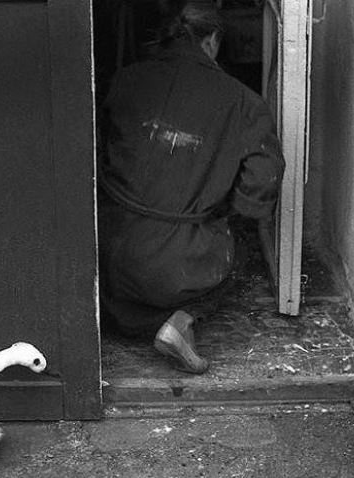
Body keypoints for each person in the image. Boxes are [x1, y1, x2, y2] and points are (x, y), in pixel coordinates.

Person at [98, 0, 285, 373]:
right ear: (213, 41)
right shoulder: (243, 102)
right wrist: (222, 209)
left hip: (109, 247)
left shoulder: (124, 80)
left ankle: (134, 319)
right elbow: (262, 179)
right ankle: (180, 318)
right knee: (239, 253)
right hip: (177, 262)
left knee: (113, 289)